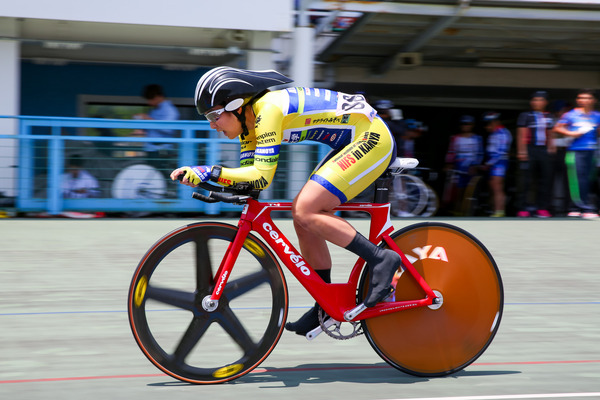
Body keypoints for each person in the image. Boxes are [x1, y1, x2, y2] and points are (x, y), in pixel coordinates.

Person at [171, 66, 401, 336]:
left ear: (235, 105)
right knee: (302, 217)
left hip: (371, 138)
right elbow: (250, 181)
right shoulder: (248, 126)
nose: (212, 124)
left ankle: (381, 259)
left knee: (305, 209)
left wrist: (207, 172)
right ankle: (325, 304)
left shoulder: (267, 111)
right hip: (351, 139)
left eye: (213, 115)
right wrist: (212, 181)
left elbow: (261, 177)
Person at [553, 89, 600, 219]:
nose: (582, 100)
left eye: (586, 98)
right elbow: (557, 128)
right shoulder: (570, 115)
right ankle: (582, 207)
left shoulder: (597, 115)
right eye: (580, 98)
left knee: (588, 180)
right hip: (575, 151)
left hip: (591, 151)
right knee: (576, 180)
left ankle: (576, 208)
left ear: (593, 100)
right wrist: (572, 133)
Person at [515, 90, 556, 218]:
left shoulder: (549, 116)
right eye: (534, 100)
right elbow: (520, 134)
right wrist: (521, 151)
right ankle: (523, 207)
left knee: (545, 179)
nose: (536, 102)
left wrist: (551, 147)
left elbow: (551, 133)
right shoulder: (525, 115)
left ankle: (542, 208)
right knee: (525, 180)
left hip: (544, 150)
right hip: (529, 149)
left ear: (545, 102)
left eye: (540, 100)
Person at [443, 115, 484, 213]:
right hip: (458, 167)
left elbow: (480, 154)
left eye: (467, 124)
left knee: (470, 192)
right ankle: (457, 211)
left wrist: (475, 165)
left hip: (471, 168)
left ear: (472, 125)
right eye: (463, 124)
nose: (465, 126)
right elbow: (451, 152)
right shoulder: (455, 138)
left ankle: (469, 212)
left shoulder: (477, 138)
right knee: (458, 191)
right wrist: (449, 164)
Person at [134, 84, 180, 170]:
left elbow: (168, 129)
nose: (149, 102)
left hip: (161, 151)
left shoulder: (170, 110)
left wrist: (148, 119)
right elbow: (151, 128)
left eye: (150, 99)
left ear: (158, 97)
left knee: (160, 178)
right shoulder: (154, 110)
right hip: (151, 150)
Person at [482, 112, 512, 217]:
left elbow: (501, 152)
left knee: (497, 187)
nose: (486, 126)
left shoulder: (503, 133)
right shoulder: (493, 134)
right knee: (492, 188)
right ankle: (494, 210)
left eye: (489, 124)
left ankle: (499, 211)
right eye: (486, 124)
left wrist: (488, 164)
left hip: (499, 163)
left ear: (496, 122)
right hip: (492, 163)